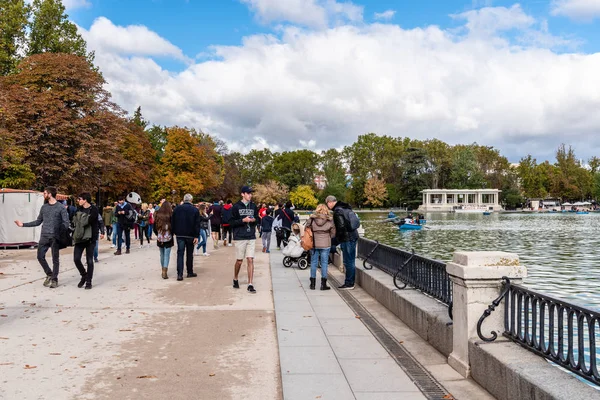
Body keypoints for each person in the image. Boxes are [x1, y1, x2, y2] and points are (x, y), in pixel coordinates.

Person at [14, 186, 69, 289]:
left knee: (55, 259)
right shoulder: (44, 207)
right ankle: (49, 274)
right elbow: (38, 221)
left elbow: (66, 223)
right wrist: (23, 225)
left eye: (44, 193)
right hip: (44, 236)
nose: (44, 195)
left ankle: (54, 279)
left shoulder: (61, 208)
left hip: (55, 237)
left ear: (50, 194)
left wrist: (59, 232)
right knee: (40, 257)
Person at [230, 186, 259, 293]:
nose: (250, 195)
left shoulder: (253, 206)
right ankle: (235, 277)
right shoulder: (236, 207)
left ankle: (250, 283)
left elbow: (257, 219)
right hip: (239, 237)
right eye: (248, 193)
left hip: (251, 236)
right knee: (239, 260)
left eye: (251, 193)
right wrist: (243, 220)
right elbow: (231, 222)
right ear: (242, 194)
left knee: (250, 259)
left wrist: (254, 220)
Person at [326, 195, 359, 290]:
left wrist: (337, 239)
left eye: (327, 203)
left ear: (330, 202)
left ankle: (349, 283)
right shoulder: (346, 208)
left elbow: (340, 227)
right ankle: (350, 281)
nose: (328, 206)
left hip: (347, 238)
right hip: (353, 235)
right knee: (351, 260)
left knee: (348, 261)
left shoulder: (337, 211)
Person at [73, 193, 102, 290]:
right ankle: (84, 275)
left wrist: (101, 231)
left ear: (85, 200)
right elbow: (74, 221)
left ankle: (89, 281)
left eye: (79, 199)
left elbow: (88, 221)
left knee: (89, 260)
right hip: (80, 237)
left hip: (90, 237)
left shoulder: (94, 209)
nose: (78, 201)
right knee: (76, 259)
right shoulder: (79, 209)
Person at [306, 204, 336, 290]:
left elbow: (307, 229)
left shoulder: (312, 219)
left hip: (314, 243)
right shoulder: (330, 220)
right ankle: (323, 284)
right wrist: (328, 236)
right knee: (324, 263)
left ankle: (312, 284)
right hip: (325, 243)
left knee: (313, 263)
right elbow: (333, 232)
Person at [171, 194, 200, 281]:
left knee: (180, 253)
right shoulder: (195, 210)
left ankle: (179, 274)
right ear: (191, 200)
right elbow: (197, 224)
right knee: (189, 254)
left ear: (183, 200)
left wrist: (174, 232)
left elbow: (173, 221)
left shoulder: (177, 209)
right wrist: (196, 236)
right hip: (190, 234)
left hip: (180, 234)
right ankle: (189, 271)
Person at [154, 201, 174, 279]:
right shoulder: (170, 215)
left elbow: (154, 227)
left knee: (162, 254)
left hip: (160, 237)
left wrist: (157, 234)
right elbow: (173, 226)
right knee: (167, 254)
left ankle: (163, 269)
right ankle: (165, 270)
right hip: (168, 237)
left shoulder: (158, 215)